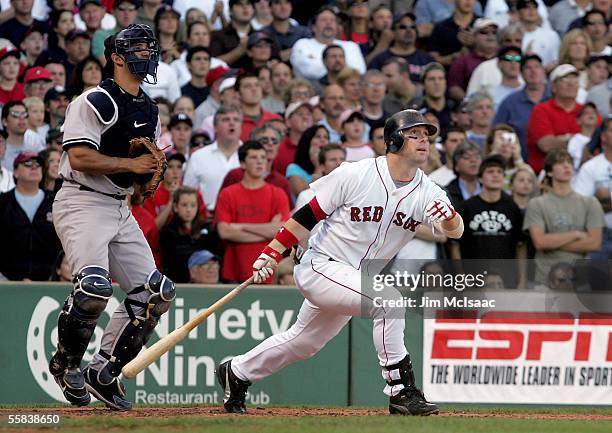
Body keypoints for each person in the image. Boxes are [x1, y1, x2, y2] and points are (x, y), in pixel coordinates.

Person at [215, 109, 463, 416]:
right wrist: (272, 252)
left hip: (354, 278)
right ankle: (401, 389)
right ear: (395, 140)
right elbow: (307, 215)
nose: (424, 140)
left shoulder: (427, 191)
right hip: (323, 265)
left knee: (304, 342)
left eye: (426, 136)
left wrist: (450, 219)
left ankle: (237, 371)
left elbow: (456, 231)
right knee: (389, 301)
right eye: (415, 134)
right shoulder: (356, 173)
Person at [48, 24, 176, 412]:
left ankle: (104, 371)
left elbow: (138, 169)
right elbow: (80, 157)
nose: (146, 53)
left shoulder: (149, 107)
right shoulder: (95, 101)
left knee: (155, 293)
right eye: (136, 47)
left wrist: (143, 178)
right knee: (94, 288)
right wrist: (131, 163)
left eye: (148, 47)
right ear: (116, 57)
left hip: (120, 205)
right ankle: (67, 364)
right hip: (82, 200)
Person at [524, 149, 605, 284]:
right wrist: (575, 234)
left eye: (569, 162)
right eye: (560, 163)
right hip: (545, 279)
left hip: (578, 282)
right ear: (549, 172)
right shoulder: (537, 203)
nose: (566, 166)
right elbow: (539, 242)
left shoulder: (590, 203)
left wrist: (552, 242)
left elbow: (595, 243)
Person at [215, 140, 290, 283]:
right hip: (235, 270)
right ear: (242, 163)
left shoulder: (278, 194)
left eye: (263, 158)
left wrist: (241, 227)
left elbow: (282, 232)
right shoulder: (228, 194)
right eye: (254, 158)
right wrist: (267, 232)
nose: (260, 162)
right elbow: (225, 232)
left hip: (270, 271)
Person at [449, 155, 527, 288]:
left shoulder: (512, 207)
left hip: (506, 278)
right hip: (473, 277)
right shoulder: (467, 207)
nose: (495, 175)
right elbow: (455, 245)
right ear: (480, 178)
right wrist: (460, 276)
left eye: (499, 172)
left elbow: (520, 246)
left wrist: (522, 280)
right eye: (490, 172)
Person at [0, 151, 60, 281]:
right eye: (27, 163)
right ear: (15, 172)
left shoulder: (55, 201)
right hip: (7, 281)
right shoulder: (3, 202)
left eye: (38, 164)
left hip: (49, 280)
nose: (34, 167)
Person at [184, 104, 242, 212]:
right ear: (215, 127)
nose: (231, 123)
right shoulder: (198, 156)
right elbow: (187, 193)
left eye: (236, 120)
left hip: (243, 219)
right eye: (225, 119)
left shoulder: (252, 155)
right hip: (207, 220)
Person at [527, 64, 583, 174]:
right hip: (547, 175)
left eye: (575, 80)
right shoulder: (541, 110)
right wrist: (578, 141)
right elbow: (546, 145)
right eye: (565, 79)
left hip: (580, 175)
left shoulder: (586, 111)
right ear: (553, 86)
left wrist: (563, 139)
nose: (571, 84)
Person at [289, 5, 365, 81]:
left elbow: (359, 71)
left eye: (332, 20)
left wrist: (321, 65)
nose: (328, 23)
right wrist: (342, 68)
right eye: (323, 20)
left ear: (337, 26)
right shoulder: (302, 44)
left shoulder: (351, 46)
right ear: (314, 27)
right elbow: (309, 71)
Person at [572, 118, 612, 259]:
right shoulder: (590, 167)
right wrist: (598, 201)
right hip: (599, 234)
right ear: (603, 137)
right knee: (598, 280)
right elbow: (579, 207)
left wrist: (607, 200)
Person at [160, 186, 212, 283]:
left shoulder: (207, 228)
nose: (189, 209)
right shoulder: (168, 231)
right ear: (175, 207)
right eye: (184, 205)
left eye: (193, 205)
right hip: (178, 283)